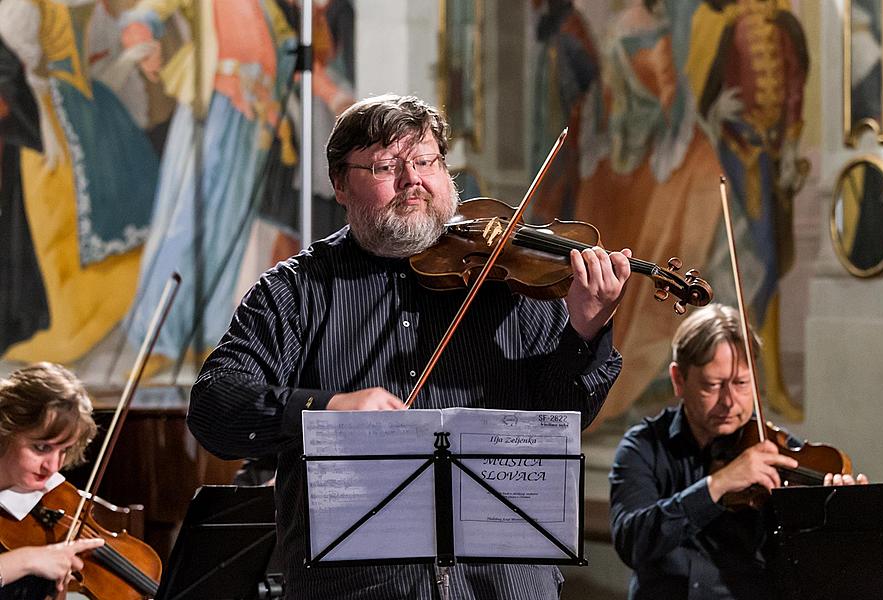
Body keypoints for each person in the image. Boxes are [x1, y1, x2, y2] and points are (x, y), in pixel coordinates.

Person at [189, 94, 632, 599]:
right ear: (339, 183)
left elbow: (561, 416)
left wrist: (584, 331)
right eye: (385, 166)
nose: (412, 180)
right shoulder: (295, 292)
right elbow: (214, 407)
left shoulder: (509, 276)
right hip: (357, 588)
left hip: (503, 584)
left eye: (425, 161)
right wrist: (324, 407)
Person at [608, 303, 867, 600]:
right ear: (679, 379)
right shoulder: (643, 447)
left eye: (742, 383)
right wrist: (716, 485)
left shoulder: (776, 452)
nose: (730, 402)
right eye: (713, 385)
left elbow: (807, 566)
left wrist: (837, 515)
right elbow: (632, 542)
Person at [0, 363, 105, 598]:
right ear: (4, 429)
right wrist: (27, 560)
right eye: (41, 447)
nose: (53, 466)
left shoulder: (52, 497)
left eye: (64, 450)